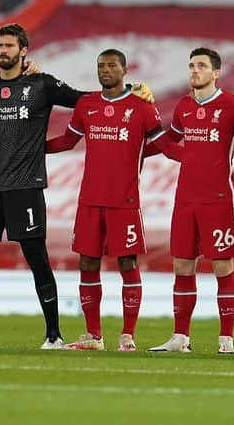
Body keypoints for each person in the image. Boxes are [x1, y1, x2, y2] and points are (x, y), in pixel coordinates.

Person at [0, 23, 153, 349]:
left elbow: (83, 100)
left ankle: (53, 335)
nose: (3, 51)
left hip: (26, 185)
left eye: (10, 45)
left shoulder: (42, 84)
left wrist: (131, 91)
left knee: (37, 258)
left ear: (23, 50)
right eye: (0, 45)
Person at [146, 47, 234, 355]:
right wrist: (133, 150)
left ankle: (226, 339)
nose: (194, 70)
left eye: (201, 66)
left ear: (216, 72)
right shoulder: (184, 107)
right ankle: (179, 337)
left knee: (222, 265)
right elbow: (170, 145)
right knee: (182, 265)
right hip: (186, 198)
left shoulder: (232, 106)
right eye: (191, 65)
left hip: (218, 199)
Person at [44, 48, 167, 352]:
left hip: (124, 201)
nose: (105, 70)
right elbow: (68, 140)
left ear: (126, 70)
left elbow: (163, 143)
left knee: (127, 262)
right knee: (87, 262)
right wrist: (32, 147)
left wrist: (197, 153)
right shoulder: (87, 104)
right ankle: (93, 335)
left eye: (112, 65)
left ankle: (127, 335)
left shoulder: (142, 107)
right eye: (101, 66)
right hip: (90, 199)